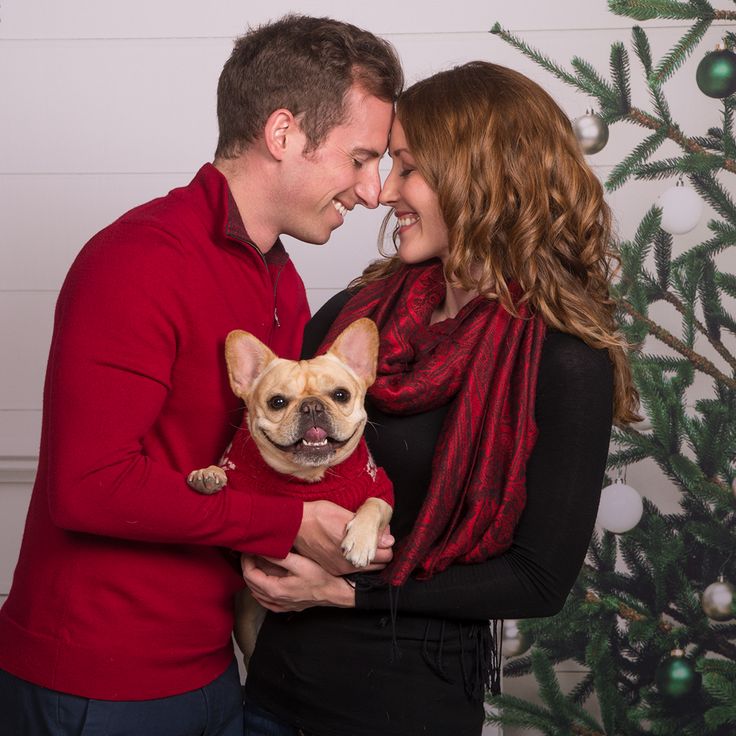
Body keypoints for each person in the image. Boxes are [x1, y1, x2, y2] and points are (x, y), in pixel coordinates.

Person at [0, 14, 402, 736]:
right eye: (361, 158)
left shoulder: (282, 282)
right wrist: (290, 524)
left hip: (215, 665)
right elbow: (87, 488)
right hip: (99, 682)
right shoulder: (140, 260)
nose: (373, 191)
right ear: (283, 135)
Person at [239, 61, 641, 736]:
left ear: (481, 178)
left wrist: (345, 591)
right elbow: (262, 457)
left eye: (407, 168)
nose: (381, 192)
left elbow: (537, 581)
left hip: (404, 708)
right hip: (272, 693)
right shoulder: (355, 312)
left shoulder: (566, 360)